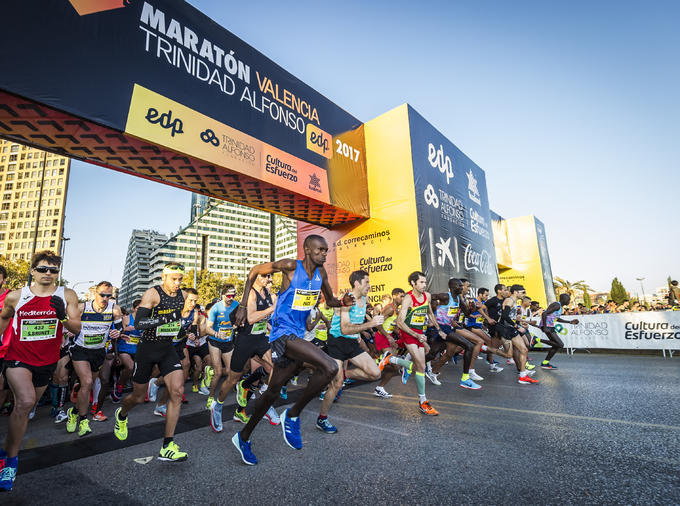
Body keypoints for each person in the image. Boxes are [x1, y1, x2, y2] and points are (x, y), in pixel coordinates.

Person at [229, 234, 353, 466]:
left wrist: (343, 302)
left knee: (272, 393)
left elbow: (330, 301)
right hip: (282, 334)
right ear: (307, 249)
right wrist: (243, 305)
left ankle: (243, 437)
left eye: (326, 250)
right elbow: (255, 270)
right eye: (319, 250)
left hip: (298, 335)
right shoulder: (290, 267)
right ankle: (293, 414)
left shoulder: (321, 274)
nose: (324, 254)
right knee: (329, 367)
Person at [0, 251, 82, 491]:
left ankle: (5, 449)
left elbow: (77, 328)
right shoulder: (16, 296)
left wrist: (62, 316)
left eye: (53, 270)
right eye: (43, 269)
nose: (48, 273)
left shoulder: (67, 295)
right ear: (32, 271)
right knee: (25, 402)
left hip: (46, 362)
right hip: (17, 358)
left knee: (26, 409)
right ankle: (10, 461)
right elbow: (4, 318)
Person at [112, 262, 189, 462]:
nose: (177, 283)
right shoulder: (152, 294)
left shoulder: (182, 295)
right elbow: (139, 323)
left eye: (180, 279)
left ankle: (167, 446)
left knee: (177, 391)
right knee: (138, 397)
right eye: (174, 279)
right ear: (164, 277)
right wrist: (166, 319)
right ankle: (122, 414)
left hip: (167, 349)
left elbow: (176, 321)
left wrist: (180, 329)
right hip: (147, 350)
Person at [316, 270, 389, 433]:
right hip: (337, 342)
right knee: (337, 385)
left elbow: (356, 324)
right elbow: (344, 328)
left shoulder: (365, 299)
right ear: (357, 283)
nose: (369, 286)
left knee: (375, 373)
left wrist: (361, 333)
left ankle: (344, 374)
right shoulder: (347, 300)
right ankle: (322, 419)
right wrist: (369, 325)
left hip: (352, 342)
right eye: (367, 282)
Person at [210, 272, 278, 433]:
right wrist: (272, 308)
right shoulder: (251, 295)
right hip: (245, 341)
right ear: (255, 278)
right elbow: (252, 318)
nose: (268, 279)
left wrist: (274, 329)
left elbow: (266, 320)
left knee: (275, 369)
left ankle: (265, 403)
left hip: (260, 339)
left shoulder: (270, 295)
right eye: (265, 276)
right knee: (232, 379)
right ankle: (217, 406)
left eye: (269, 276)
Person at [65, 281, 123, 436]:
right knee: (87, 382)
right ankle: (84, 421)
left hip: (98, 352)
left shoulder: (115, 309)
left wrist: (117, 333)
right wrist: (70, 330)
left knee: (88, 385)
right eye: (102, 295)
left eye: (108, 295)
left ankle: (74, 411)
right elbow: (68, 324)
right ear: (95, 294)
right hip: (80, 350)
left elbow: (119, 328)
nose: (105, 298)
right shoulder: (82, 307)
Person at [396, 271, 445, 415]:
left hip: (419, 333)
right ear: (413, 283)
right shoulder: (408, 299)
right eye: (421, 282)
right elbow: (399, 322)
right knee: (421, 366)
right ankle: (423, 401)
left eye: (425, 282)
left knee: (421, 367)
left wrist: (438, 329)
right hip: (408, 333)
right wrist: (416, 335)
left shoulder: (427, 296)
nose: (424, 285)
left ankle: (392, 360)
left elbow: (430, 313)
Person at [203, 285, 240, 409]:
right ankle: (211, 397)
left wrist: (237, 325)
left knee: (230, 371)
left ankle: (210, 372)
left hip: (228, 342)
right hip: (215, 341)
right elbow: (207, 329)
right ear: (223, 295)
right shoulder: (216, 308)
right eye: (228, 295)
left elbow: (240, 320)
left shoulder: (237, 305)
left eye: (233, 295)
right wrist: (217, 334)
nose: (231, 298)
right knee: (218, 373)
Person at [373, 288, 410, 398]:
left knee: (395, 368)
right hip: (382, 336)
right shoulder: (389, 308)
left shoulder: (396, 310)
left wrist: (402, 336)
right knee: (395, 364)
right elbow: (378, 324)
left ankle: (379, 387)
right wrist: (388, 336)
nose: (403, 299)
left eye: (404, 297)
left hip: (388, 337)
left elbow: (392, 326)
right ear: (394, 296)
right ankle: (377, 363)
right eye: (401, 296)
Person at [112, 300, 142, 403]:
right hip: (125, 347)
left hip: (137, 348)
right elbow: (118, 332)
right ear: (133, 309)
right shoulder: (126, 318)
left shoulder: (145, 319)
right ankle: (119, 385)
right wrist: (126, 330)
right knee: (130, 367)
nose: (140, 310)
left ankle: (140, 390)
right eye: (138, 308)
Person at [539, 293, 579, 369]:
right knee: (560, 344)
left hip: (550, 326)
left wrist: (570, 322)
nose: (569, 301)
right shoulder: (556, 305)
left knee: (556, 345)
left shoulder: (559, 307)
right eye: (568, 299)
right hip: (547, 326)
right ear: (564, 299)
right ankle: (537, 340)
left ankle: (545, 363)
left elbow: (557, 319)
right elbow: (544, 314)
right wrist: (544, 327)